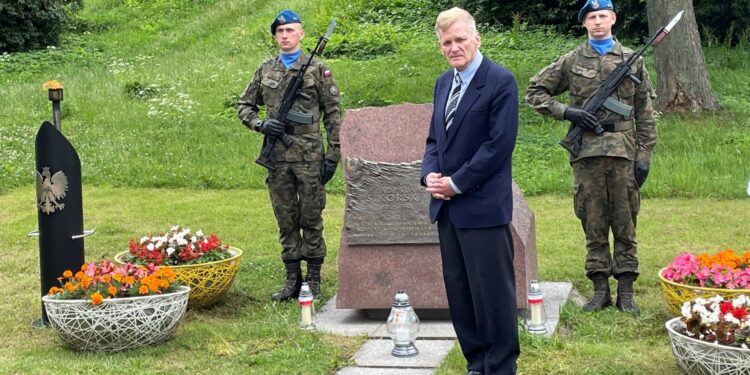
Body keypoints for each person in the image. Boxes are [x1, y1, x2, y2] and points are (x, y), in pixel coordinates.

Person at [525, 0, 657, 315]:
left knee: (625, 219)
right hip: (586, 153)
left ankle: (626, 289)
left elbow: (644, 111)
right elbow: (535, 92)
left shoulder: (632, 60)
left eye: (602, 16)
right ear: (584, 23)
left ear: (613, 19)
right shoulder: (571, 61)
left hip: (624, 151)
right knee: (592, 219)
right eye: (591, 17)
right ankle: (600, 288)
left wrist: (645, 153)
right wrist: (568, 111)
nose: (597, 21)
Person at [421, 7, 520, 375]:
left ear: (477, 39)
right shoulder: (443, 83)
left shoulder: (500, 81)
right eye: (447, 42)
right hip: (448, 211)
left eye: (460, 39)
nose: (454, 47)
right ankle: (476, 363)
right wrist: (429, 175)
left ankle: (500, 366)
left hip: (482, 208)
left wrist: (455, 182)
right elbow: (435, 139)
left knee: (492, 295)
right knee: (461, 294)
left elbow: (498, 146)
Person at [237, 9, 341, 301]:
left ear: (301, 34)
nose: (285, 36)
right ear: (275, 36)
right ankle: (292, 279)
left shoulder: (318, 69)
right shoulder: (265, 70)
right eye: (280, 32)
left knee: (311, 216)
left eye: (290, 31)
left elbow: (333, 115)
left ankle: (315, 277)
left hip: (310, 156)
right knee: (285, 218)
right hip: (277, 157)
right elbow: (244, 106)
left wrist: (333, 156)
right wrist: (261, 124)